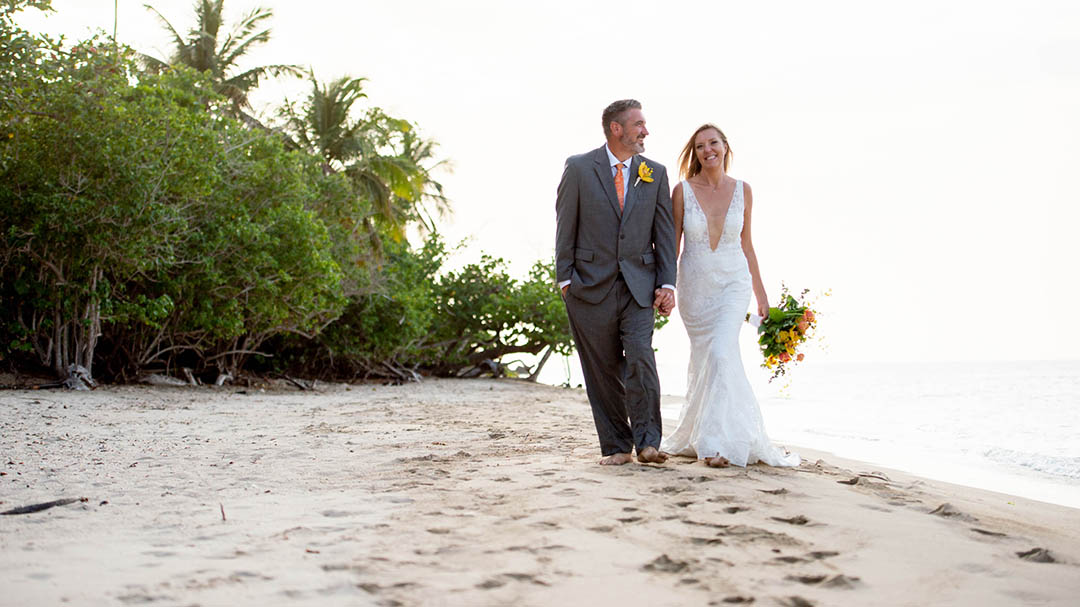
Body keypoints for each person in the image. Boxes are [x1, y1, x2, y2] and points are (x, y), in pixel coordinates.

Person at [658, 124, 799, 468]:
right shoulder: (682, 191)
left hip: (734, 284)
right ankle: (706, 433)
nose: (708, 150)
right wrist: (667, 287)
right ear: (695, 153)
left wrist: (761, 295)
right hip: (695, 286)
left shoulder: (743, 190)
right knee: (708, 359)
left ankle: (713, 443)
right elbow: (671, 245)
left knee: (722, 352)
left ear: (725, 147)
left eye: (714, 143)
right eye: (701, 146)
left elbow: (747, 244)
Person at [555, 99, 677, 466]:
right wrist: (565, 280)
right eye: (638, 124)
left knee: (641, 357)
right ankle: (616, 447)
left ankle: (649, 442)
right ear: (616, 129)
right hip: (589, 286)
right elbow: (565, 225)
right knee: (603, 369)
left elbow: (665, 232)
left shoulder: (654, 172)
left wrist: (667, 283)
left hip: (640, 285)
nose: (645, 131)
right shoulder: (579, 168)